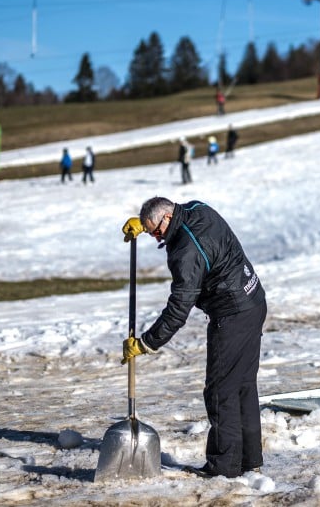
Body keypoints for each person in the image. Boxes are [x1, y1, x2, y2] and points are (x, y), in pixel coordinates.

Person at [121, 197, 267, 479]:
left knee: (220, 391)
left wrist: (147, 342)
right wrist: (145, 222)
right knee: (243, 386)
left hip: (233, 313)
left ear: (167, 218)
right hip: (253, 299)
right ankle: (250, 461)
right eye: (151, 233)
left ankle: (224, 467)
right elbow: (173, 216)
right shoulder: (197, 208)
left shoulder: (185, 253)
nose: (155, 238)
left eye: (156, 231)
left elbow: (178, 310)